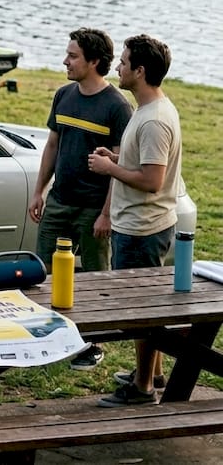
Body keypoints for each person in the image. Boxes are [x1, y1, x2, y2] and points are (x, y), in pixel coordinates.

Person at [89, 35, 184, 408]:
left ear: (140, 71)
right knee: (146, 308)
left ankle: (143, 389)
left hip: (142, 228)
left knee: (141, 312)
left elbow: (152, 180)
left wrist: (110, 168)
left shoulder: (155, 120)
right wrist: (117, 156)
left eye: (124, 62)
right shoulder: (147, 110)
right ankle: (152, 373)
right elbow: (144, 162)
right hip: (141, 225)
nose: (118, 66)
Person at [30, 28, 131, 371]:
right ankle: (48, 336)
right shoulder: (63, 95)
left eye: (73, 56)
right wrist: (39, 191)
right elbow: (52, 145)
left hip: (93, 209)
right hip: (59, 201)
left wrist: (106, 214)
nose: (65, 61)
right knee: (43, 271)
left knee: (94, 276)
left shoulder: (117, 106)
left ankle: (94, 343)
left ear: (94, 62)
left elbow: (119, 165)